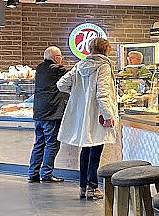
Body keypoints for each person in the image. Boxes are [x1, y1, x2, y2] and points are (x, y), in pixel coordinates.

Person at [57, 36, 118, 200]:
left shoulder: (79, 65)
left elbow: (61, 84)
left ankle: (83, 187)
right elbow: (102, 94)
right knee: (96, 151)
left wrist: (80, 95)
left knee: (85, 150)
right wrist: (108, 115)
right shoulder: (103, 66)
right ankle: (93, 188)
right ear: (106, 50)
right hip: (98, 114)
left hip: (84, 116)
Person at [28, 46, 68, 184]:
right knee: (52, 144)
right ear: (56, 58)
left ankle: (33, 173)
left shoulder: (39, 68)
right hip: (51, 113)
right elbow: (73, 76)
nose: (61, 59)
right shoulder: (58, 69)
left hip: (38, 113)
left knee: (39, 143)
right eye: (60, 56)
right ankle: (46, 173)